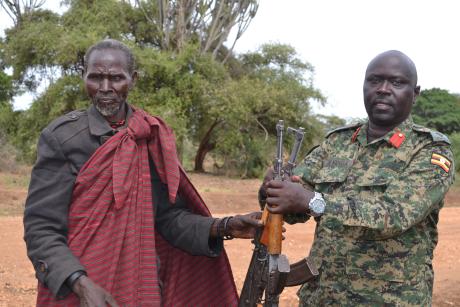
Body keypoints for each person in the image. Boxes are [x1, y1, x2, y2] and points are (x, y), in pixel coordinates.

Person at [23, 39, 261, 306]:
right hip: (77, 293)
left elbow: (167, 218)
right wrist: (81, 284)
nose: (105, 88)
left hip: (139, 286)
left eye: (115, 78)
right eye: (95, 78)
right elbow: (41, 229)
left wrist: (224, 226)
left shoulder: (149, 135)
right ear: (83, 77)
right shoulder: (63, 139)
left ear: (132, 79)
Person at [262, 50, 454, 306]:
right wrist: (271, 189)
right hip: (321, 297)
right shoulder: (336, 142)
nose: (383, 89)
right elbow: (294, 203)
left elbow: (394, 215)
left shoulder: (430, 150)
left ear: (415, 93)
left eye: (396, 82)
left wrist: (314, 201)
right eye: (374, 80)